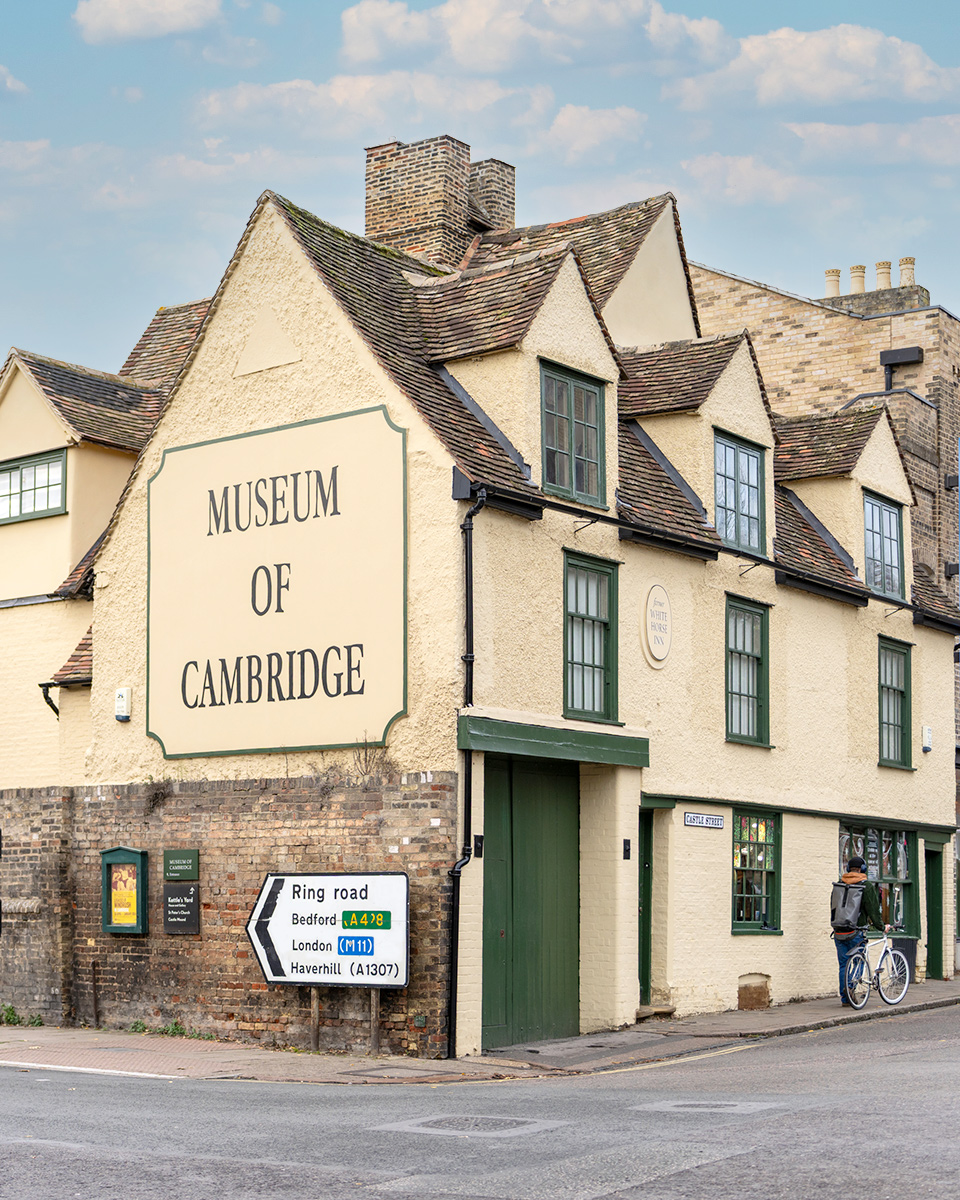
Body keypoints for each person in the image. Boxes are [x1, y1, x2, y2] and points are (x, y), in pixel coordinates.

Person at [834, 855, 890, 1005]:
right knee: (859, 961)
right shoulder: (866, 886)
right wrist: (881, 926)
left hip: (839, 930)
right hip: (856, 931)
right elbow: (873, 910)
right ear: (863, 869)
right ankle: (850, 987)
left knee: (843, 965)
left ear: (848, 869)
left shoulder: (840, 884)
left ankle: (845, 998)